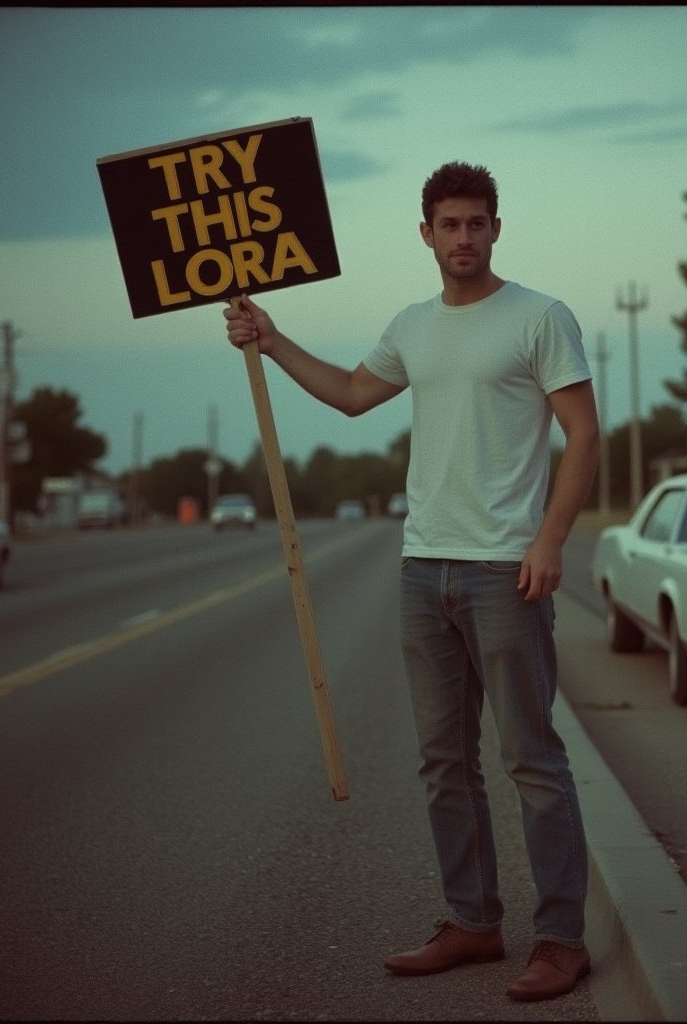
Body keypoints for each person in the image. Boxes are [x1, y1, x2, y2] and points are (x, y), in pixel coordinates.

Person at [224, 161, 599, 1002]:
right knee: (442, 762)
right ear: (424, 234)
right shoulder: (412, 325)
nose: (463, 237)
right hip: (423, 566)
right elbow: (356, 394)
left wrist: (550, 538)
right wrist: (273, 340)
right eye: (448, 224)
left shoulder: (539, 318)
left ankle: (561, 939)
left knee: (531, 758)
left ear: (496, 228)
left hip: (508, 568)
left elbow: (583, 434)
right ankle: (471, 921)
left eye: (477, 223)